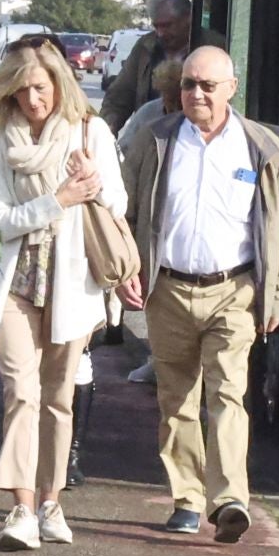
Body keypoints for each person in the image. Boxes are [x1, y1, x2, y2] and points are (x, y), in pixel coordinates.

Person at [119, 46, 279, 544]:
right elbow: (126, 211)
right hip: (169, 289)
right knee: (176, 397)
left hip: (235, 290)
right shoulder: (156, 140)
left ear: (231, 88)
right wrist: (122, 270)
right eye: (189, 85)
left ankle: (229, 499)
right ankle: (187, 498)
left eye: (207, 86)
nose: (196, 94)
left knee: (227, 393)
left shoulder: (261, 148)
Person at [0, 38, 128, 551]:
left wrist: (94, 180)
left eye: (40, 88)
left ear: (58, 84)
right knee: (21, 391)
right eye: (22, 91)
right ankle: (20, 508)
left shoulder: (90, 130)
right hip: (17, 281)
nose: (33, 101)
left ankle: (51, 503)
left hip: (73, 280)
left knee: (59, 398)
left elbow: (117, 202)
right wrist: (57, 199)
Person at [116, 60, 184, 387]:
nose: (171, 108)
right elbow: (125, 153)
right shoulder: (149, 118)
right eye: (169, 100)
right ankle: (157, 358)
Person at [100, 0, 223, 133]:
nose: (160, 33)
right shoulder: (145, 47)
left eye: (167, 25)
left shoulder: (214, 48)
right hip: (150, 139)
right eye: (156, 26)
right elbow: (119, 97)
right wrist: (105, 134)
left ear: (187, 18)